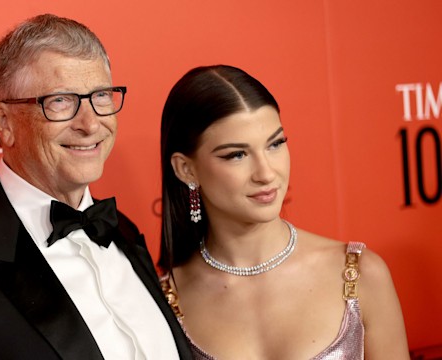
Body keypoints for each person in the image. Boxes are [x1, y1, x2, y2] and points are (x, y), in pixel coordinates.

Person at [0, 14, 192, 359]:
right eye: (60, 101)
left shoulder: (123, 231)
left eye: (100, 96)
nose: (90, 123)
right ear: (4, 122)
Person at [158, 65, 409, 359]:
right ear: (186, 169)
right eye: (237, 155)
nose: (266, 173)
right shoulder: (165, 300)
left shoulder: (358, 274)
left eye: (275, 144)